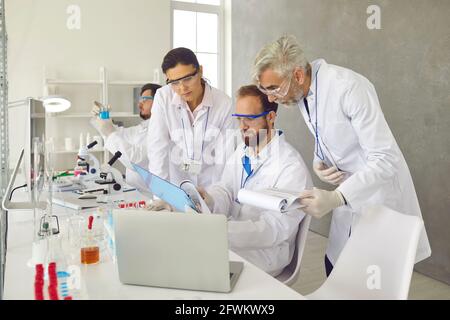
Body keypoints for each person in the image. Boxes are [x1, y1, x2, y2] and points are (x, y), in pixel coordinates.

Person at [253, 35, 431, 276]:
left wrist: (337, 197)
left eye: (273, 88)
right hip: (350, 201)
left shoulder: (348, 87)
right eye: (265, 90)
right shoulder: (303, 93)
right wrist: (320, 159)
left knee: (371, 283)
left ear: (297, 75)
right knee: (335, 267)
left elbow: (386, 158)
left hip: (379, 199)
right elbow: (329, 132)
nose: (271, 98)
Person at [199, 85, 313, 276]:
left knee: (199, 262)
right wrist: (209, 199)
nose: (242, 127)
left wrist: (223, 231)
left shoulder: (291, 167)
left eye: (249, 119)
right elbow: (226, 189)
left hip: (265, 253)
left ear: (270, 117)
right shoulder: (243, 151)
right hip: (234, 239)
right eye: (239, 119)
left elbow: (274, 228)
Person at [146, 48, 235, 189]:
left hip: (210, 185)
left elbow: (225, 157)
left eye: (187, 79)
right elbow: (157, 149)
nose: (182, 88)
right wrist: (161, 194)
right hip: (177, 185)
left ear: (200, 71)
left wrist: (217, 197)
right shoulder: (163, 97)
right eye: (174, 82)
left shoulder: (224, 103)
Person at [91, 83, 161, 188]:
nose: (139, 104)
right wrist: (100, 117)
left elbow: (136, 161)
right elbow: (120, 134)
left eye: (144, 99)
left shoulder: (161, 130)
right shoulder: (142, 128)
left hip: (151, 194)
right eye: (140, 100)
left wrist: (110, 133)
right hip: (136, 192)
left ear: (158, 101)